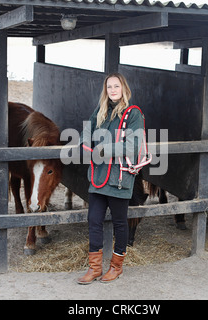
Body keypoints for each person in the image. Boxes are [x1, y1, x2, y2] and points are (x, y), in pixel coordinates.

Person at [77, 73, 146, 284]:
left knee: (119, 223)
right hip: (98, 176)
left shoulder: (133, 114)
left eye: (116, 86)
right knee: (94, 220)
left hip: (119, 178)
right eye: (109, 87)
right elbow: (86, 132)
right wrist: (86, 146)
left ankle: (116, 267)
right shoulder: (100, 111)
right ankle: (94, 267)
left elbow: (133, 146)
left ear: (124, 88)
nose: (113, 90)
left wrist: (104, 149)